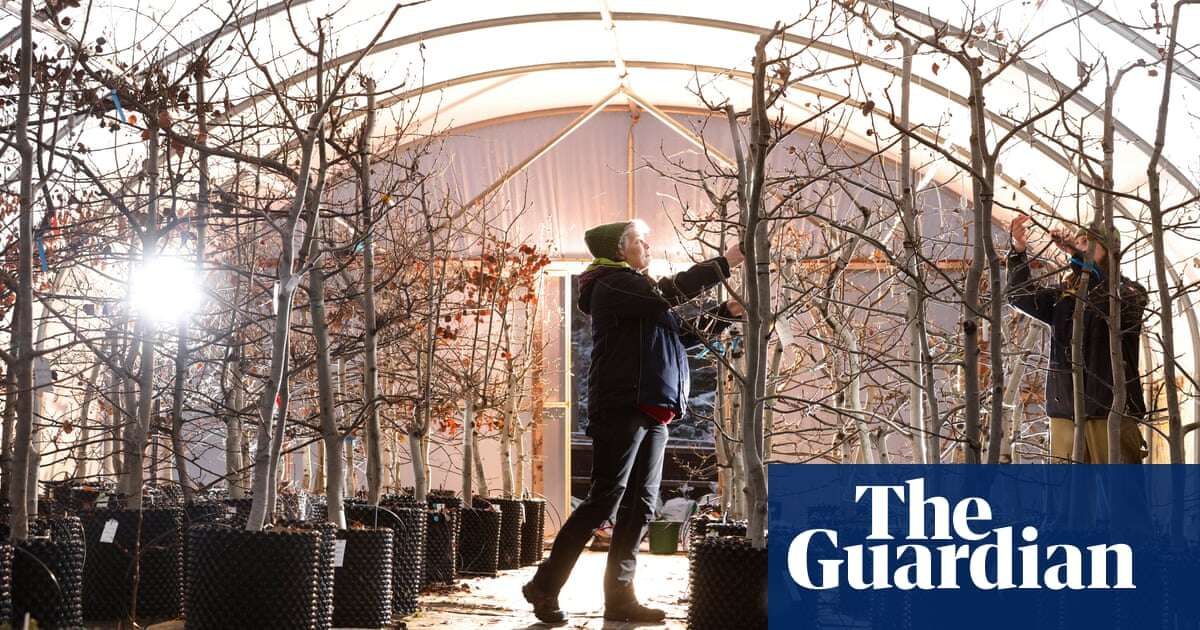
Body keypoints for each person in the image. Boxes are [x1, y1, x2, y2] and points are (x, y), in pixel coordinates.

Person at [522, 219, 744, 623]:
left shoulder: (640, 295)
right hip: (623, 407)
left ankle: (621, 598)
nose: (648, 246)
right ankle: (545, 586)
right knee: (604, 499)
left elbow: (682, 334)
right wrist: (725, 263)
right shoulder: (610, 284)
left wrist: (727, 312)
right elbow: (667, 293)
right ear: (621, 249)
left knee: (640, 506)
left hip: (654, 409)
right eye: (642, 241)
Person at [1007, 214, 1148, 463]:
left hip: (1110, 413)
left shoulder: (1129, 294)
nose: (1082, 248)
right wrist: (1018, 250)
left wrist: (1076, 257)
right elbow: (1020, 297)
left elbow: (1105, 295)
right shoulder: (1064, 296)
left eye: (1089, 244)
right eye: (1080, 243)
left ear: (1112, 253)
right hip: (1065, 413)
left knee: (1119, 496)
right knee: (1068, 497)